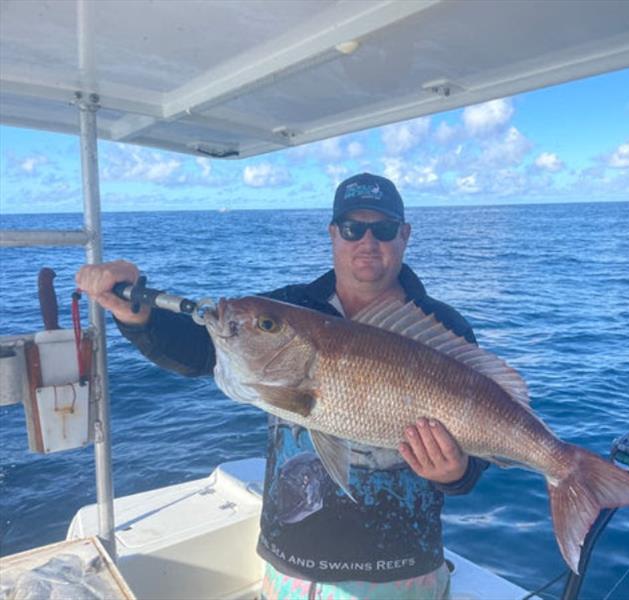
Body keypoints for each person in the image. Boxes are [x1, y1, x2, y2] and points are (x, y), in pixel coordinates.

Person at [76, 173, 488, 599]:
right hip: (292, 565)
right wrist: (137, 316)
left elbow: (486, 439)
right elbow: (201, 352)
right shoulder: (291, 308)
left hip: (403, 576)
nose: (367, 240)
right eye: (352, 228)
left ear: (404, 235)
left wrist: (457, 473)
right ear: (333, 234)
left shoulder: (445, 329)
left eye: (383, 229)